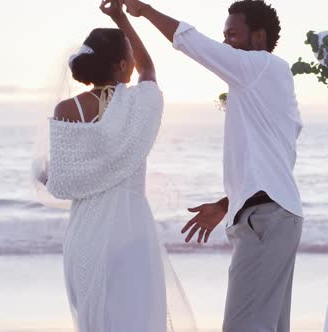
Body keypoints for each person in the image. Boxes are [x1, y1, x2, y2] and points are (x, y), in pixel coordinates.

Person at [121, 0, 304, 331]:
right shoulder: (268, 82)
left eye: (232, 35)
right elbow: (274, 159)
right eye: (224, 35)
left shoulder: (259, 66)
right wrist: (226, 203)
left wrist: (144, 10)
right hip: (274, 214)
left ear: (259, 38)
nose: (224, 43)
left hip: (265, 219)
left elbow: (192, 42)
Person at [45, 1, 174, 331]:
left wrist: (47, 175)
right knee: (137, 318)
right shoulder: (139, 102)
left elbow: (61, 182)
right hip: (131, 230)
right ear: (122, 64)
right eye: (128, 55)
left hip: (86, 232)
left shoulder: (67, 109)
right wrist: (121, 18)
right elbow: (149, 69)